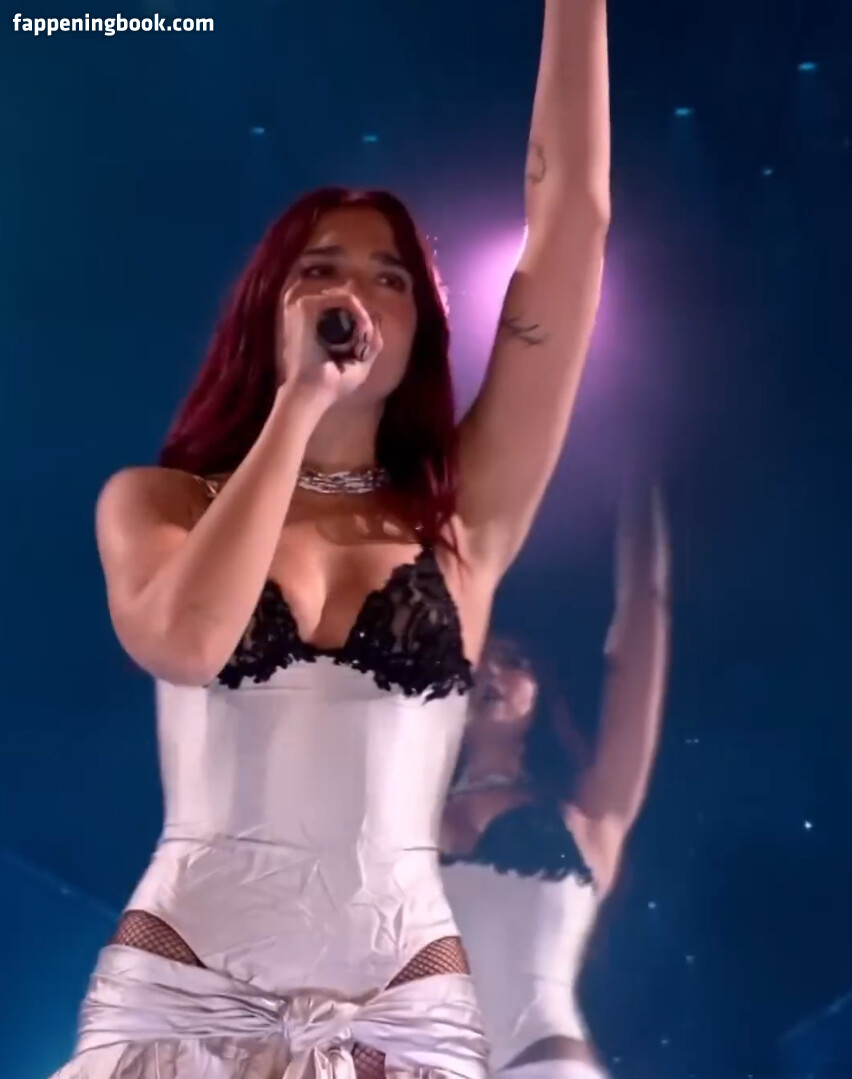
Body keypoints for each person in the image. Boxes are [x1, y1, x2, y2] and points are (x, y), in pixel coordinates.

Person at [50, 2, 611, 1076]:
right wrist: (300, 404)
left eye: (389, 275)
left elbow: (574, 222)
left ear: (421, 327)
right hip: (184, 985)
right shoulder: (159, 501)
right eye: (320, 268)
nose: (354, 290)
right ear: (270, 307)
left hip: (402, 1005)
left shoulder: (464, 521)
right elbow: (185, 641)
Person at [441, 487, 671, 1079]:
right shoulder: (401, 804)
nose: (490, 669)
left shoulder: (589, 812)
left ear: (541, 693)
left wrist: (639, 483)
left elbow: (643, 617)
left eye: (513, 660)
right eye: (478, 658)